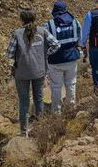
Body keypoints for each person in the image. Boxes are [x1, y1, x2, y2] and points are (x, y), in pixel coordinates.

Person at [6, 8, 60, 136]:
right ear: (34, 18)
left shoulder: (17, 34)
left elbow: (9, 53)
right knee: (38, 99)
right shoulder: (42, 31)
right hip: (39, 71)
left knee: (24, 102)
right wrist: (44, 55)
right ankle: (40, 126)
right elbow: (56, 45)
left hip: (22, 73)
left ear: (22, 20)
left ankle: (24, 131)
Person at [43, 1, 82, 114]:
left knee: (56, 87)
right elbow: (80, 40)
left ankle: (56, 113)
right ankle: (70, 109)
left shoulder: (49, 25)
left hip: (55, 61)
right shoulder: (75, 22)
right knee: (71, 84)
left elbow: (45, 44)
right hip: (71, 59)